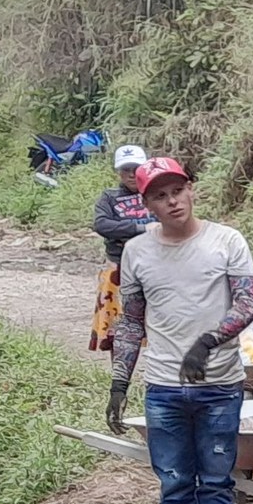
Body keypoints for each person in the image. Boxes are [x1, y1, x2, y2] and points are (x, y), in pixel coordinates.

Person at [105, 157, 253, 504]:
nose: (172, 201)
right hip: (165, 386)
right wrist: (119, 382)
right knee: (173, 482)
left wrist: (207, 342)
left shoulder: (226, 241)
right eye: (160, 195)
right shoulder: (137, 252)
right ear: (146, 204)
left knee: (216, 479)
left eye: (177, 190)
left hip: (220, 383)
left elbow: (248, 304)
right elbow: (131, 321)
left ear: (191, 189)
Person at [88, 145, 152, 351]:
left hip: (154, 266)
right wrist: (141, 228)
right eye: (126, 169)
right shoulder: (109, 197)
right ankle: (120, 369)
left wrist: (122, 230)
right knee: (116, 327)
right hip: (118, 267)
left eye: (136, 168)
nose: (132, 174)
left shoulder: (155, 193)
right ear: (119, 172)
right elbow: (102, 225)